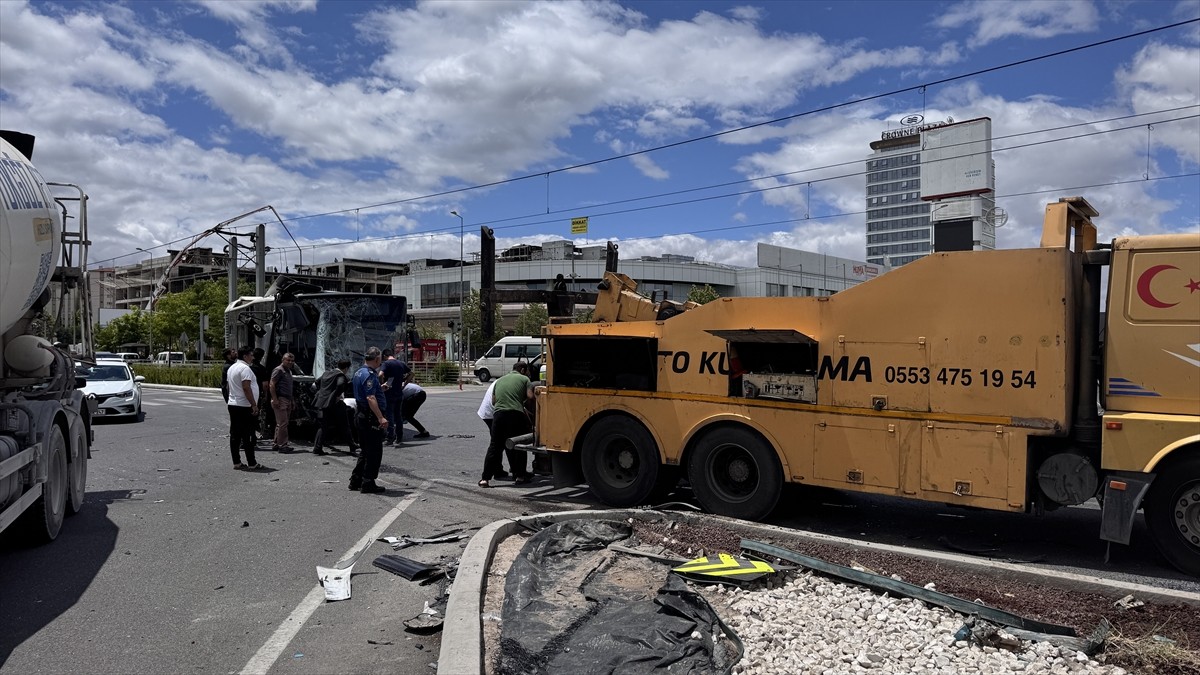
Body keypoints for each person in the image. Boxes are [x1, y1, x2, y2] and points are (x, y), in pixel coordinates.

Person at [479, 362, 534, 488]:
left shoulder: (499, 380)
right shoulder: (525, 379)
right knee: (518, 445)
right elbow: (530, 396)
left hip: (498, 415)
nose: (528, 373)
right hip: (516, 415)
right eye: (527, 371)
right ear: (523, 369)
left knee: (494, 446)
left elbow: (494, 400)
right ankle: (520, 476)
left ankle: (485, 479)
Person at [349, 347, 389, 494]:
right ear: (377, 359)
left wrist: (380, 389)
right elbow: (370, 398)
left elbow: (369, 393)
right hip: (370, 417)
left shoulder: (359, 372)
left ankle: (356, 480)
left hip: (361, 414)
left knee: (365, 451)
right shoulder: (370, 375)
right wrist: (380, 417)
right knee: (374, 451)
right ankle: (368, 482)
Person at [226, 346, 266, 471]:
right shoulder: (245, 369)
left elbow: (228, 387)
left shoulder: (232, 368)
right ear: (245, 356)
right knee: (248, 434)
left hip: (233, 404)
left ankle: (236, 462)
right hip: (244, 406)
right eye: (251, 355)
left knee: (235, 434)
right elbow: (246, 387)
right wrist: (253, 404)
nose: (253, 357)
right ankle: (252, 463)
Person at [312, 359, 359, 456]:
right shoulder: (340, 375)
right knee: (345, 424)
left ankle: (317, 447)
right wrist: (335, 396)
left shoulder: (326, 373)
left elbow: (316, 382)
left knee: (323, 426)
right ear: (346, 368)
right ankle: (352, 445)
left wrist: (323, 393)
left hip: (323, 403)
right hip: (336, 403)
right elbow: (340, 384)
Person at [476, 380, 510, 480]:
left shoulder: (503, 380)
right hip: (492, 413)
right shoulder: (517, 381)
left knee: (499, 442)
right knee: (499, 443)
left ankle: (497, 470)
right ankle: (496, 471)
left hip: (489, 412)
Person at [378, 349, 411, 446]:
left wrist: (381, 384)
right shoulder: (401, 363)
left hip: (389, 393)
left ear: (384, 356)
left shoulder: (386, 364)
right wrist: (404, 384)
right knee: (398, 416)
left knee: (389, 416)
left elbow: (380, 374)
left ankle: (390, 438)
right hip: (399, 394)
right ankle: (399, 437)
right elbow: (411, 374)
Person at [269, 352, 297, 453]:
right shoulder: (278, 370)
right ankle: (283, 445)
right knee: (283, 423)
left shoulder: (288, 371)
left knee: (281, 423)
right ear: (283, 360)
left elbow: (289, 387)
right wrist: (275, 399)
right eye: (288, 360)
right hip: (280, 399)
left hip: (287, 399)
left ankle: (276, 443)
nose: (290, 362)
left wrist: (292, 400)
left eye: (292, 361)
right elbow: (272, 384)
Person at [251, 347, 271, 442]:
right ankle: (253, 435)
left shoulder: (248, 367)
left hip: (247, 394)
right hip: (257, 394)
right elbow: (265, 385)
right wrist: (265, 395)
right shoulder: (261, 369)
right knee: (256, 415)